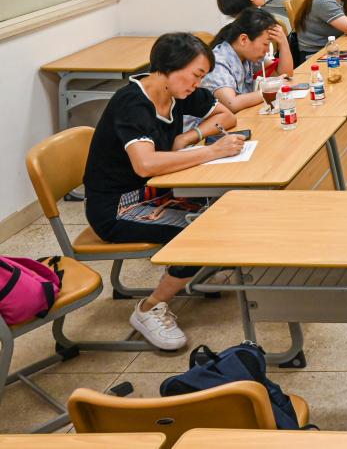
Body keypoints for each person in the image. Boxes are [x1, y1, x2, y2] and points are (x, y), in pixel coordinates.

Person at [84, 33, 243, 351]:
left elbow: (226, 115)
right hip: (118, 207)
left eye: (202, 77)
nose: (198, 84)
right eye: (196, 75)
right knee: (201, 232)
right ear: (170, 67)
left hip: (156, 190)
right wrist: (212, 151)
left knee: (228, 207)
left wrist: (188, 137)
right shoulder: (132, 102)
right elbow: (145, 164)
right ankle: (150, 308)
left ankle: (193, 267)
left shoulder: (177, 92)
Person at [203, 8, 294, 112]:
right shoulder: (218, 61)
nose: (268, 50)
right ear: (244, 39)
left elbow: (284, 74)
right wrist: (269, 90)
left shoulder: (246, 53)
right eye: (265, 44)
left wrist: (283, 43)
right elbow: (232, 103)